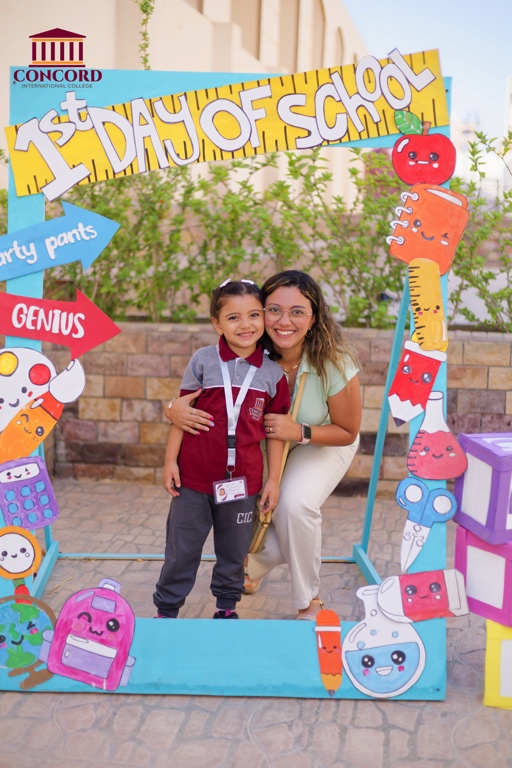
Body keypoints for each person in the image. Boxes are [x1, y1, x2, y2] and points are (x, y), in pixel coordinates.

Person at [167, 270, 362, 620]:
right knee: (257, 515)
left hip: (321, 441)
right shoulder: (251, 349)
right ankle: (253, 565)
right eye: (274, 310)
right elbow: (205, 398)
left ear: (313, 317)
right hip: (269, 443)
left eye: (297, 312)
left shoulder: (334, 361)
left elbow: (347, 430)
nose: (284, 321)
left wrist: (297, 430)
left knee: (294, 506)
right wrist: (171, 409)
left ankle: (308, 600)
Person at [153, 279, 290, 620]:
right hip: (193, 480)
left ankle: (226, 608)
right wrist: (170, 461)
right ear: (217, 324)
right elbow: (181, 414)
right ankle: (167, 611)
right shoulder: (203, 360)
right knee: (181, 550)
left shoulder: (273, 374)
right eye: (233, 317)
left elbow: (274, 434)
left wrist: (273, 480)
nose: (245, 325)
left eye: (254, 315)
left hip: (243, 483)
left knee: (234, 551)